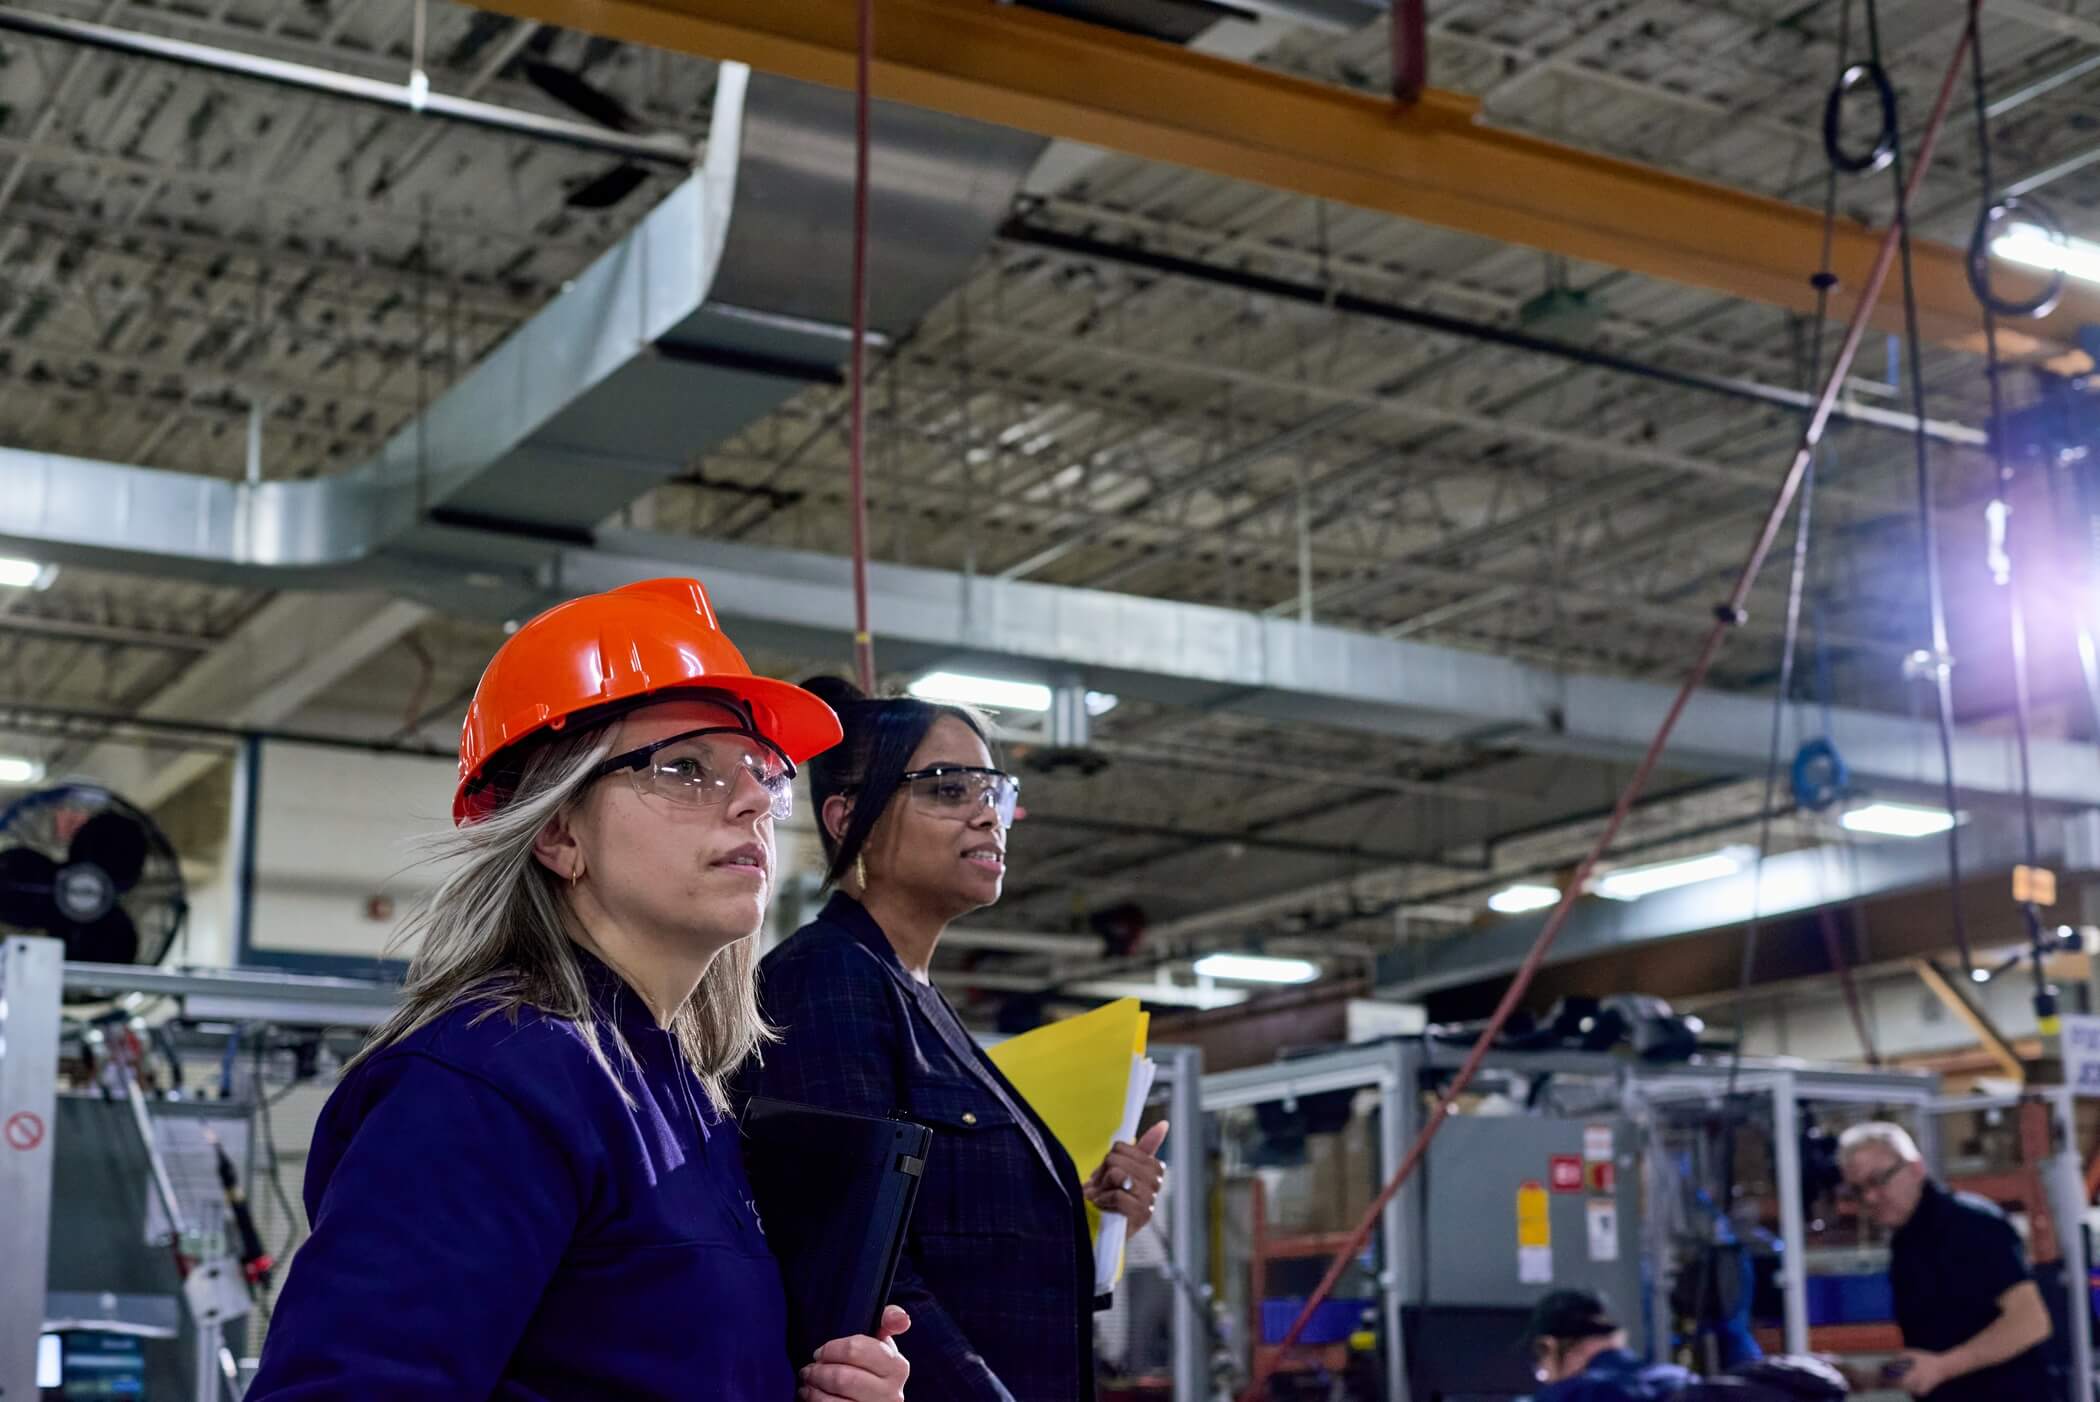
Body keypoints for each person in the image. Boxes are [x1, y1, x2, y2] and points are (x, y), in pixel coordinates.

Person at [248, 579, 912, 1402]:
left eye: (760, 773)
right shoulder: (489, 1085)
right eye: (686, 769)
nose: (752, 803)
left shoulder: (679, 1094)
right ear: (560, 832)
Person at [734, 678, 1169, 1402]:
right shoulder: (828, 984)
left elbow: (960, 1246)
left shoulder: (916, 998)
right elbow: (856, 1270)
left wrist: (1088, 1216)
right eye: (946, 790)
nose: (987, 817)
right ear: (848, 820)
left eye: (993, 792)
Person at [1836, 1121, 2053, 1400]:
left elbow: (2031, 1321)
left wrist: (1943, 1367)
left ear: (1915, 1168)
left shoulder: (1971, 1223)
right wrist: (1871, 1377)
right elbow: (1932, 1349)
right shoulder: (1905, 1240)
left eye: (1879, 1180)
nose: (1870, 1197)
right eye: (1857, 1190)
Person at [1524, 1290, 1695, 1401]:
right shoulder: (1683, 1381)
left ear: (1549, 1346)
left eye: (1543, 1371)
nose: (1547, 1379)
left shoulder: (1569, 1395)